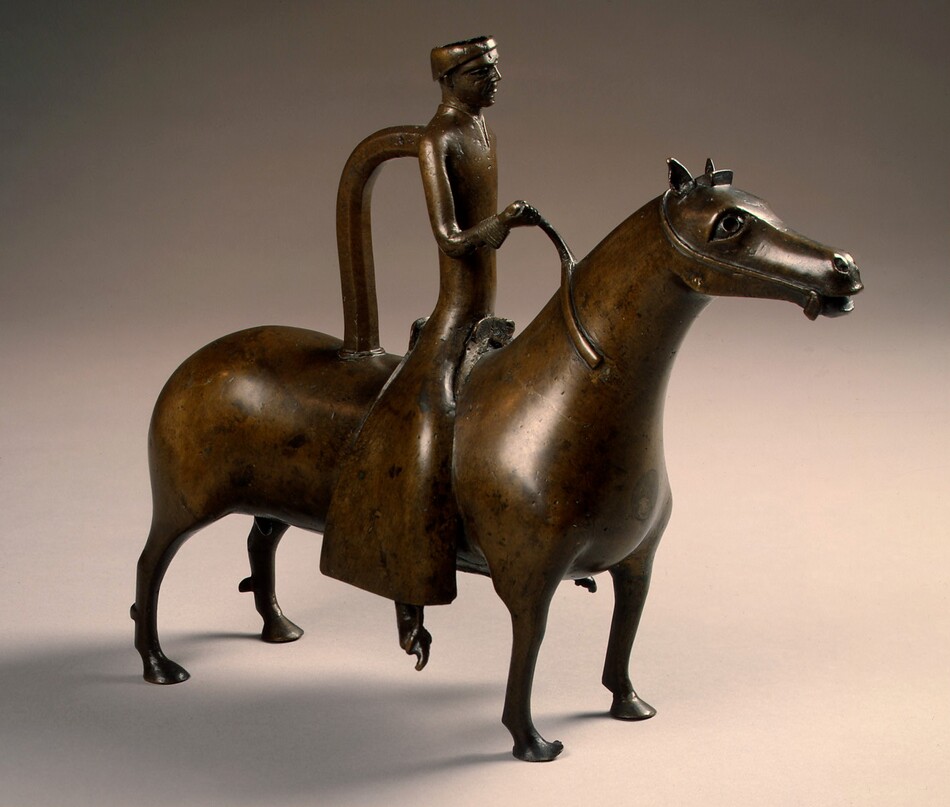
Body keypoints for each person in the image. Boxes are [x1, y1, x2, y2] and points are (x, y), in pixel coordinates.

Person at [321, 37, 539, 669]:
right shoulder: (438, 139)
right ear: (450, 79)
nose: (495, 78)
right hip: (455, 315)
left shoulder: (482, 129)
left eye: (496, 67)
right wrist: (501, 225)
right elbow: (449, 238)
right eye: (482, 70)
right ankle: (405, 586)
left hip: (487, 316)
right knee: (421, 425)